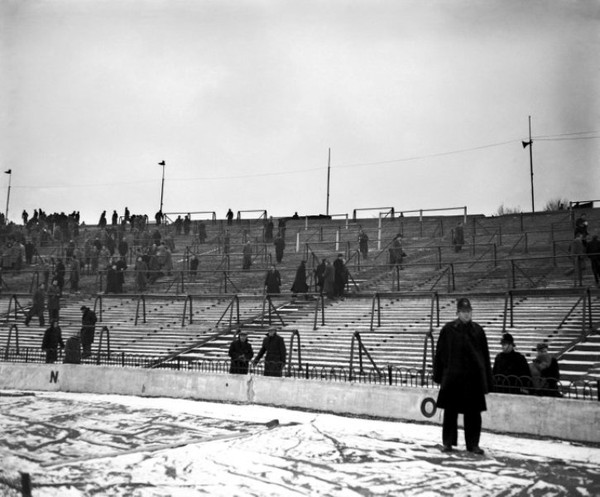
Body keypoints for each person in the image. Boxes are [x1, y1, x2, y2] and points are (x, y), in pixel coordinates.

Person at [433, 297, 493, 455]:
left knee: (473, 413)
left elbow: (484, 356)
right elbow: (440, 354)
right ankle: (448, 442)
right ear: (458, 313)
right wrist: (440, 376)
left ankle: (473, 444)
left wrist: (486, 379)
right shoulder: (448, 329)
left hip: (473, 380)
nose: (467, 315)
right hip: (453, 378)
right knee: (450, 413)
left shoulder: (478, 331)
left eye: (469, 312)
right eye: (464, 312)